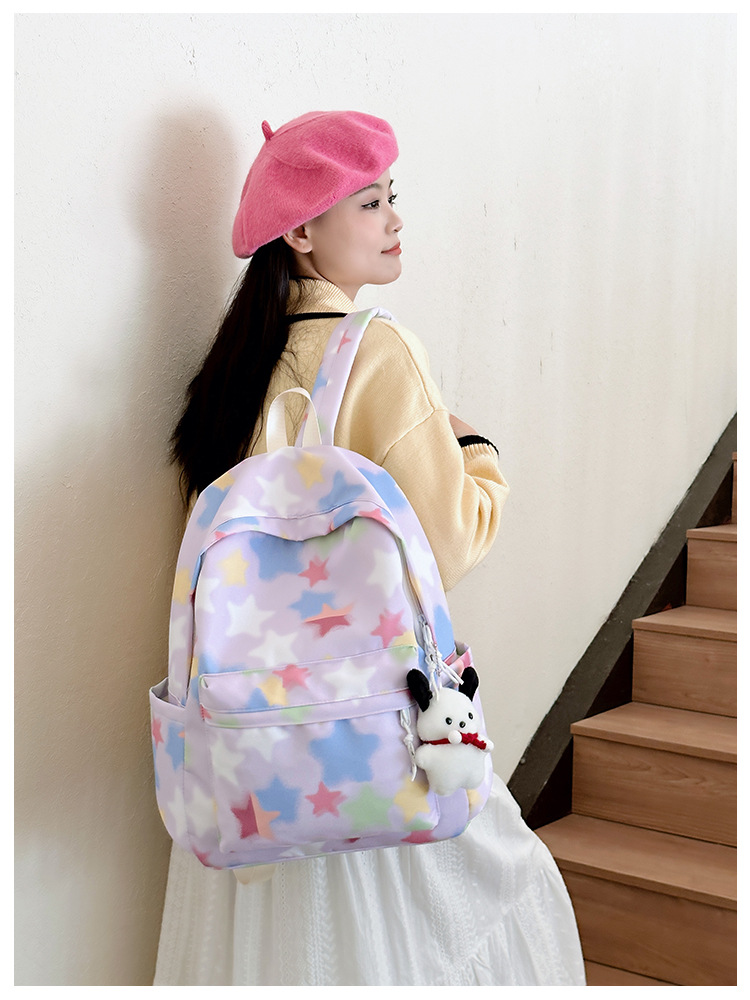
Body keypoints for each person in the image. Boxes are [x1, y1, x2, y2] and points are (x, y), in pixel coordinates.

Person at [154, 110, 585, 986]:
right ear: (301, 233)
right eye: (370, 202)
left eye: (392, 198)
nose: (395, 220)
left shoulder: (229, 375)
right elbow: (448, 544)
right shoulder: (378, 349)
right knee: (484, 903)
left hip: (252, 754)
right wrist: (477, 454)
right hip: (371, 731)